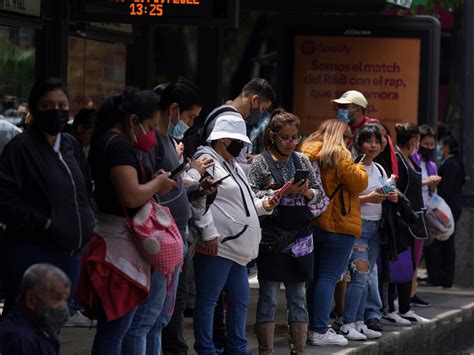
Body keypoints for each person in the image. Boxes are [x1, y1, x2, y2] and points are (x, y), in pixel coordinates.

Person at [86, 89, 177, 354]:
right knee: (116, 330)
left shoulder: (108, 142)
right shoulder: (117, 145)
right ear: (133, 121)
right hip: (117, 247)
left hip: (113, 241)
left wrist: (152, 182)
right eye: (150, 126)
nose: (151, 134)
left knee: (119, 328)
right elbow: (130, 195)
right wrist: (157, 185)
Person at [0, 78, 95, 318]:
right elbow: (6, 201)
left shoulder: (70, 145)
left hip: (71, 254)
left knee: (54, 322)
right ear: (34, 109)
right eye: (47, 106)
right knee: (26, 320)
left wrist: (88, 218)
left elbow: (84, 187)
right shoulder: (20, 148)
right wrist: (46, 224)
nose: (56, 112)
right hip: (34, 252)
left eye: (62, 106)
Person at [192, 114, 279, 354]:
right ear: (222, 140)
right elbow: (199, 200)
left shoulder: (229, 163)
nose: (241, 146)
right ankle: (206, 348)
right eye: (237, 141)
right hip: (218, 246)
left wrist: (265, 205)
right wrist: (209, 233)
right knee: (209, 301)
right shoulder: (206, 160)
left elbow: (246, 200)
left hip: (236, 249)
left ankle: (237, 348)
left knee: (239, 301)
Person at [248, 109, 325, 354]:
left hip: (300, 238)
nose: (291, 143)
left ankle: (298, 349)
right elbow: (251, 195)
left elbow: (318, 194)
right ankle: (266, 350)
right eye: (285, 137)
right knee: (269, 295)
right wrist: (279, 194)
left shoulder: (301, 160)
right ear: (272, 136)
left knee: (298, 297)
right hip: (272, 239)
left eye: (295, 137)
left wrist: (306, 193)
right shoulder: (260, 161)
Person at [301, 118, 368, 346]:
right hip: (340, 224)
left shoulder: (307, 152)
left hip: (315, 222)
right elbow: (360, 183)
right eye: (348, 136)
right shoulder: (340, 155)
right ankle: (320, 330)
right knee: (328, 277)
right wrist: (359, 165)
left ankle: (310, 326)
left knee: (316, 278)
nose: (350, 140)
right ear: (338, 135)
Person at [341, 124, 398, 340]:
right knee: (360, 276)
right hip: (359, 227)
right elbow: (344, 199)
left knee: (365, 278)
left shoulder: (380, 169)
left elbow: (384, 193)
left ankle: (358, 321)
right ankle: (347, 323)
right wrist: (369, 198)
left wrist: (391, 196)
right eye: (368, 141)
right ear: (359, 143)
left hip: (376, 229)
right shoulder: (354, 167)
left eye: (377, 141)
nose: (373, 145)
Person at [383, 123, 429, 325]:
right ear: (413, 141)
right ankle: (392, 308)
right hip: (401, 220)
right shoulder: (398, 160)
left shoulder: (409, 159)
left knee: (409, 265)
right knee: (397, 264)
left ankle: (405, 307)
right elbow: (396, 190)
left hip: (413, 219)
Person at [0, 264, 71, 355]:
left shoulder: (41, 325)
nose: (63, 305)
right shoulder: (22, 340)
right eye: (56, 298)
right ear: (31, 298)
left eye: (64, 299)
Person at [425, 136, 465, 287]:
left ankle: (441, 277)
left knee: (443, 244)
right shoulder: (456, 162)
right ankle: (443, 277)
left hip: (446, 210)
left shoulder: (450, 164)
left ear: (447, 147)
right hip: (452, 208)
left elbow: (446, 189)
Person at [332, 90, 398, 178]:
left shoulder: (376, 128)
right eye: (339, 106)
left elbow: (390, 158)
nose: (340, 110)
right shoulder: (342, 128)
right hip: (351, 178)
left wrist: (392, 181)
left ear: (357, 110)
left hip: (374, 181)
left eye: (344, 106)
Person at [410, 124, 440, 308]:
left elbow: (432, 191)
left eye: (432, 144)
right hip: (410, 211)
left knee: (417, 255)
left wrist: (433, 184)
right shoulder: (412, 159)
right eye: (426, 143)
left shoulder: (431, 165)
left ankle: (412, 293)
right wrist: (426, 182)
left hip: (424, 211)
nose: (429, 147)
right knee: (407, 255)